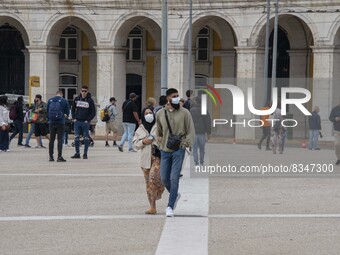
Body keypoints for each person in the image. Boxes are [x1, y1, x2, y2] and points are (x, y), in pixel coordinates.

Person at [156, 88, 195, 217]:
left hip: (179, 149)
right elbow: (159, 131)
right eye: (174, 96)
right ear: (168, 98)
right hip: (165, 150)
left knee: (174, 178)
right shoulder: (161, 113)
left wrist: (185, 144)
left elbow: (190, 130)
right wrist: (160, 140)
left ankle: (170, 206)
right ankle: (175, 194)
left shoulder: (185, 112)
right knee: (164, 178)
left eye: (178, 95)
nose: (177, 98)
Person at [133, 107, 164, 214]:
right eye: (146, 113)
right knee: (149, 183)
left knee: (153, 179)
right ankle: (152, 206)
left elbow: (164, 139)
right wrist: (143, 142)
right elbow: (135, 145)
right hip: (145, 161)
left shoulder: (159, 126)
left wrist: (156, 140)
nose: (148, 115)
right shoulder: (140, 129)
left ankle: (158, 193)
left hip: (157, 158)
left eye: (150, 113)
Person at [71, 86, 96, 159]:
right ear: (80, 91)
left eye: (85, 91)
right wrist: (74, 118)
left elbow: (93, 112)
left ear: (87, 91)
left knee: (86, 138)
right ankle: (77, 153)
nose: (84, 92)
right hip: (77, 121)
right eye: (82, 91)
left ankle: (85, 154)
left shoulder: (90, 100)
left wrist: (88, 120)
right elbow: (72, 109)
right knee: (76, 138)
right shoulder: (76, 99)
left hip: (85, 122)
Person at [47, 90, 70, 162]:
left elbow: (47, 111)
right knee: (60, 140)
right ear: (62, 95)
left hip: (51, 122)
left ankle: (51, 156)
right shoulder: (64, 101)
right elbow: (67, 112)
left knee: (51, 139)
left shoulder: (50, 100)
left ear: (56, 94)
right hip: (61, 122)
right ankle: (59, 157)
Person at [190, 96, 211, 166]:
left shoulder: (191, 110)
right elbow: (208, 122)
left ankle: (196, 162)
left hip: (194, 133)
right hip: (202, 132)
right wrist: (208, 133)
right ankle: (201, 161)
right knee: (202, 148)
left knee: (194, 148)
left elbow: (189, 122)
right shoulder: (205, 110)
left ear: (195, 101)